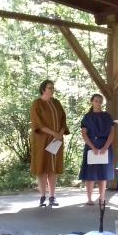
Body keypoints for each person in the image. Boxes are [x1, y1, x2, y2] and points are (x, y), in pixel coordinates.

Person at [29, 79, 68, 208]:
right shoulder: (37, 104)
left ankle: (52, 196)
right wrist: (53, 133)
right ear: (43, 89)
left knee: (53, 168)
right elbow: (38, 123)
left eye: (53, 88)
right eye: (50, 88)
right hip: (42, 140)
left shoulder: (56, 103)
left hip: (56, 140)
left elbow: (63, 118)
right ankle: (42, 196)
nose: (52, 90)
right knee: (42, 167)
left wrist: (60, 132)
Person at [79, 93, 115, 205]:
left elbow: (112, 133)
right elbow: (84, 134)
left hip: (105, 145)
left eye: (100, 101)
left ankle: (102, 198)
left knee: (102, 173)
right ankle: (89, 199)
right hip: (91, 146)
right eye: (96, 101)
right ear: (92, 101)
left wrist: (105, 147)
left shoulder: (107, 116)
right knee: (90, 174)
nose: (98, 103)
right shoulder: (87, 117)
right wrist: (92, 147)